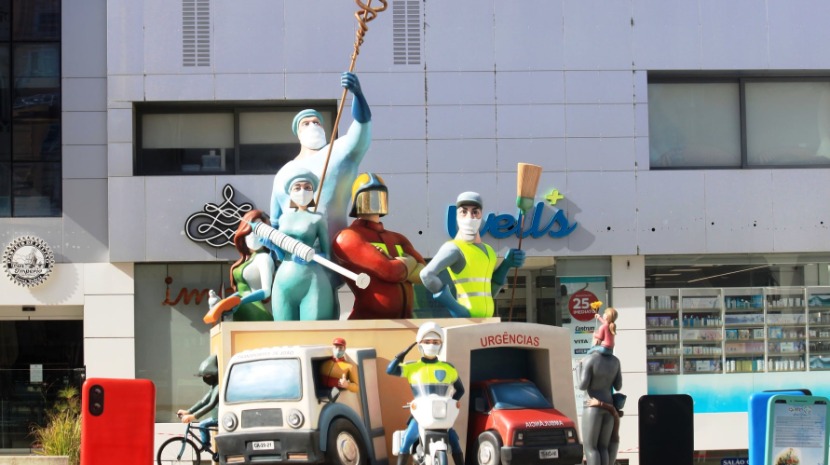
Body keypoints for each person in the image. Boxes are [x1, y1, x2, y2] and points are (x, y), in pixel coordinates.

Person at [270, 72, 372, 244]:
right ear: (298, 133)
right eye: (306, 123)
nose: (313, 126)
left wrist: (358, 95)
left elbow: (362, 124)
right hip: (296, 256)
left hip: (337, 248)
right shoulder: (284, 173)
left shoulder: (340, 150)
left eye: (317, 122)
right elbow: (275, 221)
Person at [332, 172, 426, 319]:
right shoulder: (348, 237)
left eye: (378, 195)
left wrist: (400, 266)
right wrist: (409, 261)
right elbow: (390, 271)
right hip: (368, 324)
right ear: (357, 200)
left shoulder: (398, 238)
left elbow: (424, 274)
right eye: (367, 196)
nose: (374, 201)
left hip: (407, 323)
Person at [419, 192, 526, 318]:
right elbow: (427, 275)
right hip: (466, 322)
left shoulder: (489, 251)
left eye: (475, 212)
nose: (469, 217)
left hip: (486, 320)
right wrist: (457, 309)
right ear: (457, 215)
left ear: (481, 215)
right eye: (464, 212)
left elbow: (489, 291)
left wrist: (506, 264)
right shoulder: (454, 248)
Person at [386, 322, 464, 465]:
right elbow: (390, 370)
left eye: (435, 342)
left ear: (441, 344)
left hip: (442, 416)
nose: (431, 345)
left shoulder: (449, 368)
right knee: (406, 442)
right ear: (420, 344)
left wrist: (452, 403)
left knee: (455, 443)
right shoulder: (412, 367)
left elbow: (461, 389)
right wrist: (401, 355)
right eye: (427, 341)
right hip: (421, 415)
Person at [271, 168, 335, 320]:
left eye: (307, 188)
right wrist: (273, 246)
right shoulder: (283, 219)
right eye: (297, 188)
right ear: (290, 192)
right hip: (283, 281)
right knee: (284, 335)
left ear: (313, 192)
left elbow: (327, 255)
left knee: (312, 334)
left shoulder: (317, 219)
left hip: (311, 280)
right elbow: (281, 255)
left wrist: (313, 257)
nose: (302, 191)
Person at [203, 209, 275, 323]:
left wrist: (240, 302)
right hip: (240, 312)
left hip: (255, 313)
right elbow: (241, 292)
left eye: (259, 230)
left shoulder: (264, 258)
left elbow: (266, 291)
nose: (254, 235)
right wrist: (221, 304)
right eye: (251, 230)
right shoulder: (248, 260)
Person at [578, 351, 623, 465]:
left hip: (592, 406)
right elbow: (618, 386)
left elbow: (582, 385)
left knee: (591, 448)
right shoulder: (615, 361)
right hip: (609, 405)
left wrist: (579, 368)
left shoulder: (589, 359)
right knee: (603, 447)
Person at [177, 355, 220, 451]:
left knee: (202, 425)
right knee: (202, 425)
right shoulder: (214, 386)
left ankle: (206, 444)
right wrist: (188, 411)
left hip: (219, 417)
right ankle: (206, 445)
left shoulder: (218, 387)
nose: (205, 378)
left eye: (207, 376)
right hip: (216, 416)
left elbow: (211, 405)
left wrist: (193, 416)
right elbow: (203, 401)